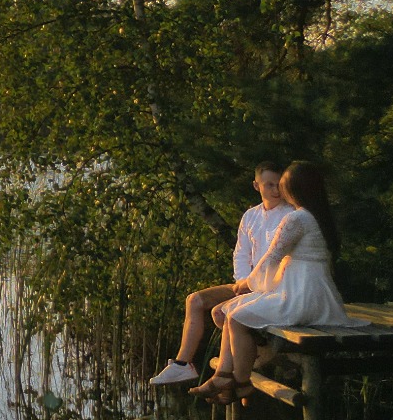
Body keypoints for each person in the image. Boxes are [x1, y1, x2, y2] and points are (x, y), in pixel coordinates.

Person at [190, 159, 364, 403]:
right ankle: (224, 376)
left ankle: (240, 381)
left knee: (237, 318)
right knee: (232, 310)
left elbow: (271, 258)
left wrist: (246, 284)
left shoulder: (297, 219)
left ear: (293, 189)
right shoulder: (320, 216)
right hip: (316, 293)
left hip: (301, 295)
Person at [150, 161, 290, 387]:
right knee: (195, 300)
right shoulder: (251, 216)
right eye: (269, 185)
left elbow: (278, 259)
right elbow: (241, 253)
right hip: (247, 283)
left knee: (220, 313)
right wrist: (242, 281)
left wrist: (252, 284)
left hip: (272, 286)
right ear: (256, 186)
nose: (275, 190)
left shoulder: (289, 215)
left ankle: (240, 365)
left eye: (279, 185)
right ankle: (182, 365)